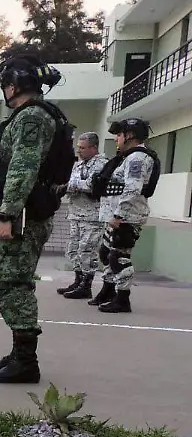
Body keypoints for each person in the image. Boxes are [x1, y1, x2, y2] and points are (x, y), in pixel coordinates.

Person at [0, 53, 69, 385]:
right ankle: (19, 354)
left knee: (8, 286)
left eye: (4, 84)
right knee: (15, 283)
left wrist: (6, 215)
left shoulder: (30, 117)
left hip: (25, 216)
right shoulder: (43, 115)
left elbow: (23, 168)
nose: (3, 89)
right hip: (28, 212)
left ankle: (26, 361)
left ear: (13, 86)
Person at [88, 118, 157, 313]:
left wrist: (119, 214)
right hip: (116, 216)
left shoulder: (137, 159)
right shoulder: (128, 156)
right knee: (107, 254)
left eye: (119, 135)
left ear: (130, 136)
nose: (116, 138)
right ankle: (108, 291)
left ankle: (122, 299)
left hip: (126, 217)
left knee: (119, 257)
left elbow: (133, 189)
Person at [56, 132, 107, 299]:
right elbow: (74, 183)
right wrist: (71, 186)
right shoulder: (78, 165)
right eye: (78, 147)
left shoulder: (101, 165)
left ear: (94, 148)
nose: (79, 151)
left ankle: (87, 285)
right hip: (76, 213)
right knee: (73, 250)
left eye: (83, 148)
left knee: (87, 250)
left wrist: (70, 185)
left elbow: (92, 185)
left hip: (92, 216)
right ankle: (78, 281)